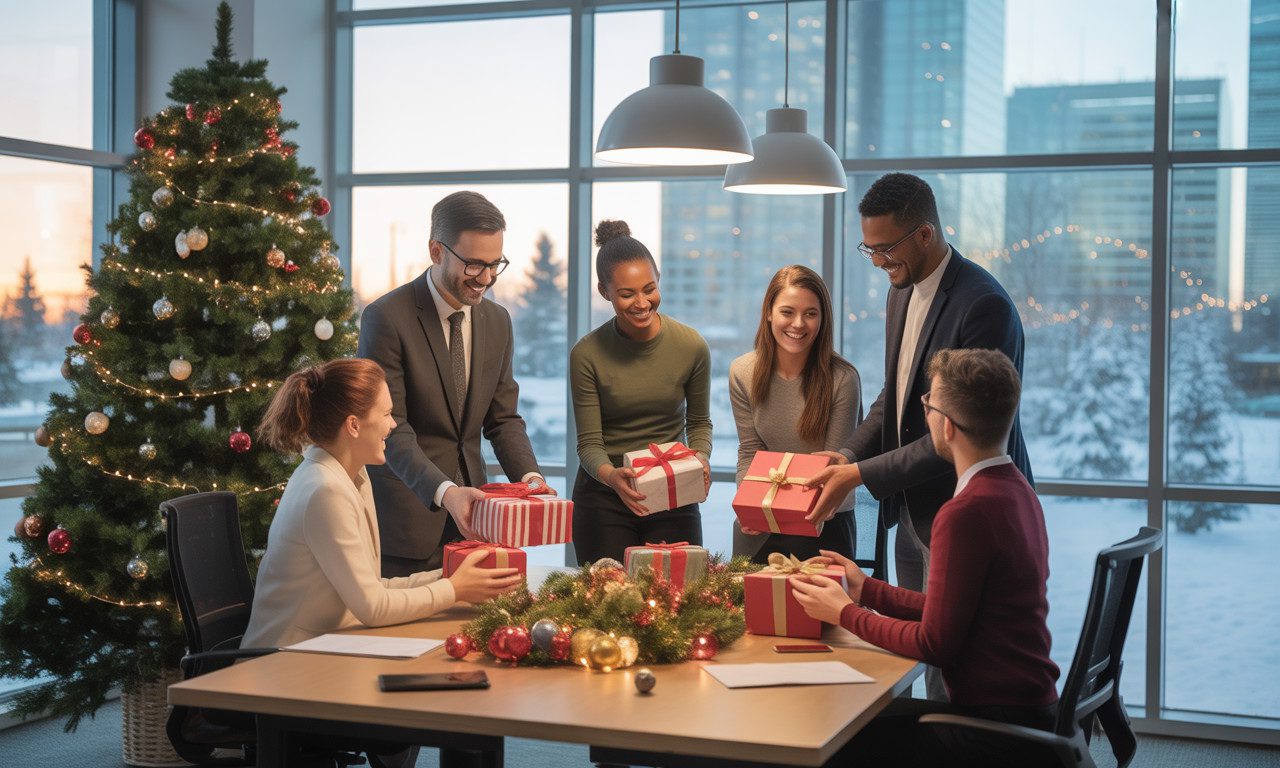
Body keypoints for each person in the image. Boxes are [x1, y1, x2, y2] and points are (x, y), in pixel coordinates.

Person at [804, 173, 1033, 699]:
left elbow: (958, 431)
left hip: (962, 504)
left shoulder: (983, 304)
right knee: (924, 648)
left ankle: (948, 737)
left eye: (885, 248)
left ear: (925, 234)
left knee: (948, 662)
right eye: (869, 248)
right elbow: (898, 394)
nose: (877, 261)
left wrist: (858, 475)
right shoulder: (900, 293)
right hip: (911, 509)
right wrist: (845, 453)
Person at [245, 359, 523, 768]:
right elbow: (372, 608)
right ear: (354, 425)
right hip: (288, 664)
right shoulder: (325, 489)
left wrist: (455, 579)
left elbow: (372, 588)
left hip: (328, 647)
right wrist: (452, 589)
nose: (393, 425)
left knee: (464, 693)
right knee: (464, 707)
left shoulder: (350, 476)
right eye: (387, 414)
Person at [791, 349, 1059, 768]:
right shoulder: (1018, 490)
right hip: (1029, 711)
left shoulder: (965, 512)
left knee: (835, 732)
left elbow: (934, 644)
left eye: (927, 405)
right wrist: (867, 589)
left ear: (947, 426)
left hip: (991, 730)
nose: (925, 412)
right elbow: (953, 613)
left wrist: (844, 613)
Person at [357, 191, 550, 577]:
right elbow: (391, 427)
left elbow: (503, 419)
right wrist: (446, 492)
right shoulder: (386, 318)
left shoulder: (498, 321)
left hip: (478, 523)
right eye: (475, 264)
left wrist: (530, 480)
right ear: (435, 250)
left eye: (496, 264)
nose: (487, 278)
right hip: (410, 523)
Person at [569, 219, 712, 563]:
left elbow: (700, 423)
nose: (642, 302)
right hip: (605, 497)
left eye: (649, 289)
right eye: (626, 293)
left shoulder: (691, 346)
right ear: (605, 292)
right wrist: (612, 478)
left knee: (682, 602)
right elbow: (589, 445)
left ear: (659, 278)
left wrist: (702, 457)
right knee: (608, 604)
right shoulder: (587, 354)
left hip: (672, 493)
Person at [730, 265, 862, 563]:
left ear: (823, 318)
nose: (798, 324)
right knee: (745, 603)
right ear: (769, 313)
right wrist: (748, 506)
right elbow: (749, 451)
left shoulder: (843, 378)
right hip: (764, 517)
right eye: (787, 312)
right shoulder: (742, 372)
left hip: (824, 518)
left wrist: (789, 509)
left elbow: (832, 463)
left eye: (811, 314)